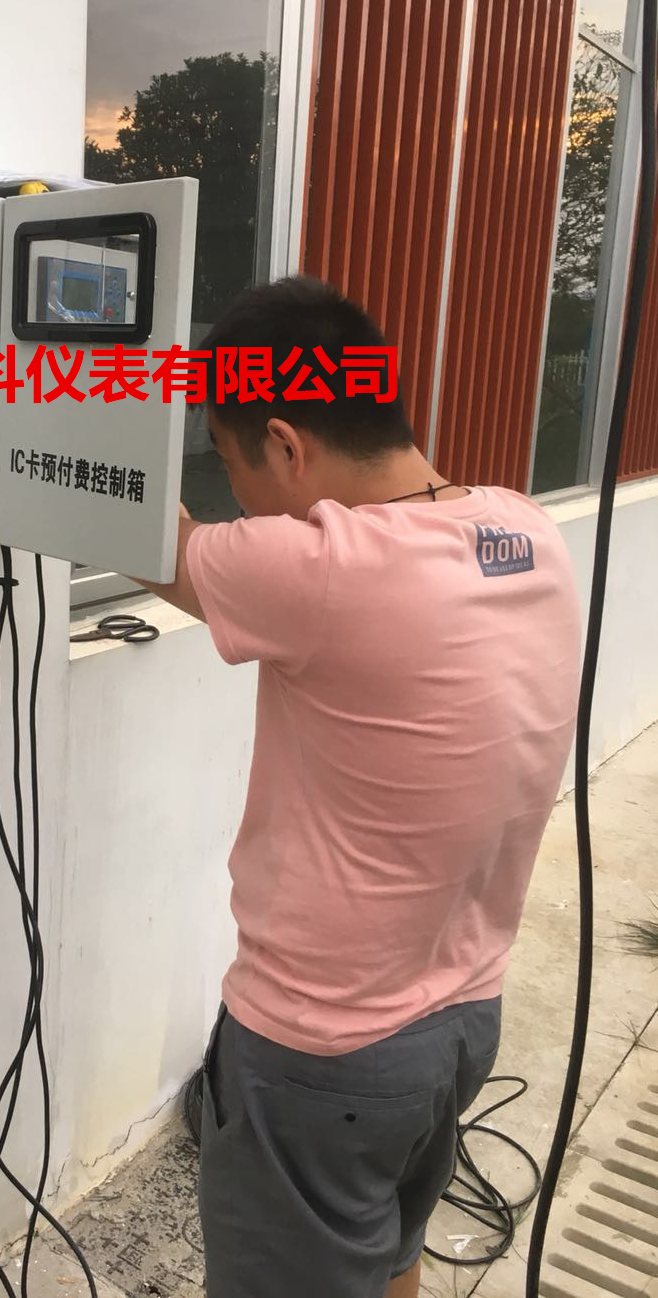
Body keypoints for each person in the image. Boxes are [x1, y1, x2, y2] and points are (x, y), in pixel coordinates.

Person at [134, 276, 581, 1298]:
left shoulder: (323, 567)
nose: (236, 496)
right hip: (461, 1020)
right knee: (388, 1257)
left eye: (231, 462)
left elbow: (142, 531)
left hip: (322, 1056)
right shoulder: (529, 534)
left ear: (286, 445)